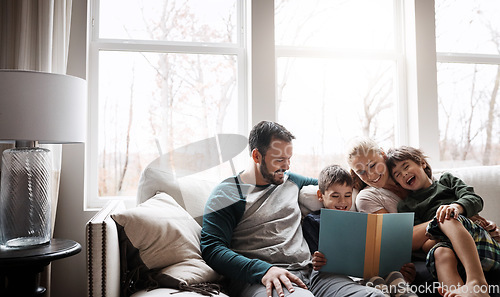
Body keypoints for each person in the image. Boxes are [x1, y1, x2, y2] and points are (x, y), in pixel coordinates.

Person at [200, 121, 385, 297]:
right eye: (280, 160)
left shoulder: (291, 180)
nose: (287, 166)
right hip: (263, 278)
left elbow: (332, 187)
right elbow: (212, 248)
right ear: (257, 156)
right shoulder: (227, 194)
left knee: (373, 295)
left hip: (313, 273)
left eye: (289, 159)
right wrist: (263, 270)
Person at [345, 138, 500, 297]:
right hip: (434, 249)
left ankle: (476, 282)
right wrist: (442, 220)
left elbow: (465, 200)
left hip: (467, 237)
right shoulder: (374, 199)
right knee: (442, 244)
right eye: (361, 172)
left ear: (383, 155)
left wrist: (480, 221)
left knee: (446, 217)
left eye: (372, 165)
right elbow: (400, 239)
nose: (370, 174)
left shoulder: (419, 179)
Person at [386, 146, 500, 297]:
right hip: (446, 250)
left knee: (446, 216)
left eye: (406, 166)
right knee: (440, 252)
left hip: (479, 245)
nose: (404, 174)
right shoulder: (407, 205)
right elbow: (420, 243)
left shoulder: (446, 181)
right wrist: (437, 232)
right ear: (398, 183)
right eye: (397, 175)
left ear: (422, 163)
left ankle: (476, 281)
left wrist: (455, 208)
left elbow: (474, 199)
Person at [302, 164, 417, 297]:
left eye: (347, 195)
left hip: (371, 272)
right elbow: (314, 257)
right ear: (320, 195)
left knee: (395, 276)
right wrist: (317, 260)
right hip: (344, 278)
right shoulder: (314, 220)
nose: (342, 201)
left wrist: (401, 264)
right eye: (335, 196)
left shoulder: (361, 220)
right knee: (376, 283)